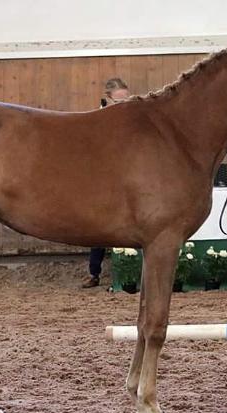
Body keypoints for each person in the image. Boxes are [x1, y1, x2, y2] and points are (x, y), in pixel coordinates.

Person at [82, 78, 131, 288]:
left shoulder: (131, 119)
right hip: (103, 178)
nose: (123, 105)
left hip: (125, 176)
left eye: (126, 100)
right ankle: (94, 272)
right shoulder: (97, 119)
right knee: (100, 226)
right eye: (119, 101)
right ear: (108, 99)